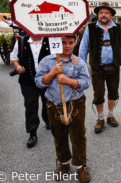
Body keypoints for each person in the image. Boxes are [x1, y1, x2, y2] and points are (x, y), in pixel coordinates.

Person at [35, 36, 91, 182]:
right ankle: (64, 163)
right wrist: (52, 72)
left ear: (75, 43)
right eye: (63, 42)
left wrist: (68, 81)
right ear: (56, 43)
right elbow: (39, 82)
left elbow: (86, 82)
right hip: (54, 104)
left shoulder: (79, 62)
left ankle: (80, 165)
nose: (67, 46)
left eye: (70, 43)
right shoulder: (47, 61)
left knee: (78, 136)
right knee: (59, 136)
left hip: (76, 103)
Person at [79, 2, 121, 133]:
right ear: (98, 14)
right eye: (101, 13)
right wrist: (81, 66)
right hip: (97, 67)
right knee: (98, 93)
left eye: (106, 13)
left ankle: (110, 115)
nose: (104, 15)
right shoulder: (90, 28)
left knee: (113, 92)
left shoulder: (118, 28)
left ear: (110, 15)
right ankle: (100, 119)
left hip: (114, 66)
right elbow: (83, 48)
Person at [10, 34, 51, 148]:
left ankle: (47, 120)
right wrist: (17, 66)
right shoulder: (22, 41)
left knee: (47, 102)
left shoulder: (50, 40)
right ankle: (32, 133)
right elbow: (14, 57)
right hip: (27, 81)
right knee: (31, 106)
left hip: (46, 80)